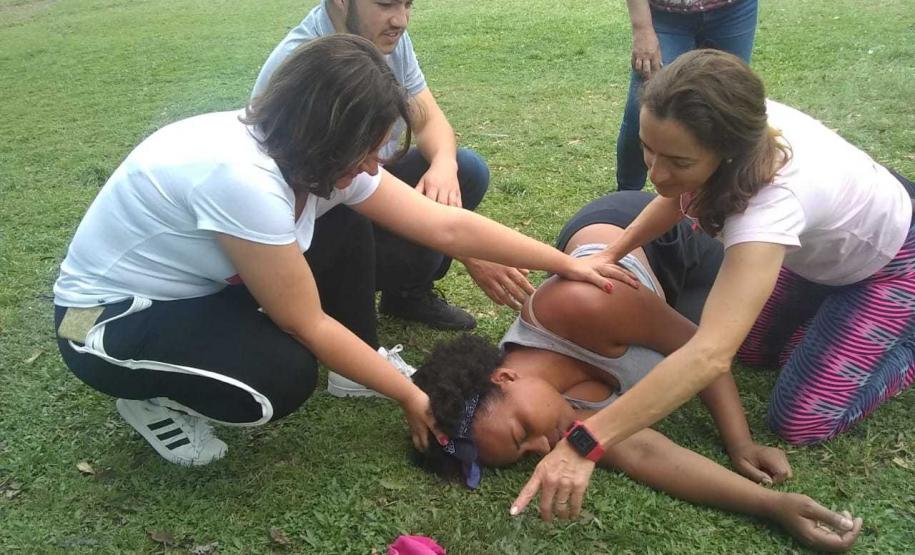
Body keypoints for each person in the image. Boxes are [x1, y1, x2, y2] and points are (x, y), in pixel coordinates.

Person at [52, 35, 633, 467]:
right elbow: (304, 321)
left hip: (197, 291)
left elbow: (446, 227)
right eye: (368, 146)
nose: (373, 164)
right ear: (327, 131)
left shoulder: (309, 155)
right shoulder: (241, 178)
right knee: (282, 376)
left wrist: (567, 264)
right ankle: (149, 394)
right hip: (107, 321)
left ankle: (357, 367)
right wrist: (411, 395)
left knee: (345, 220)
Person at [513, 49, 915, 522]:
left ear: (726, 155)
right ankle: (841, 318)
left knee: (800, 419)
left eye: (677, 161)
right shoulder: (732, 134)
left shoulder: (772, 204)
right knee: (753, 350)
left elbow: (708, 354)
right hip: (816, 257)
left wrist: (588, 439)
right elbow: (678, 193)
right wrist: (612, 252)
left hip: (888, 263)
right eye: (648, 148)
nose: (656, 173)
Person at [411, 191, 862, 552]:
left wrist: (739, 442)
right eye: (528, 452)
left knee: (761, 301)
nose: (543, 445)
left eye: (523, 432)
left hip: (659, 241)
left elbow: (704, 350)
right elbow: (646, 454)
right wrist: (771, 505)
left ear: (503, 377)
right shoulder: (562, 419)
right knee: (768, 338)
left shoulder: (581, 306)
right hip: (660, 299)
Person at [253, 0, 536, 337]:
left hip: (360, 183)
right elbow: (337, 179)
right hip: (317, 216)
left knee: (465, 169)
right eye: (387, 4)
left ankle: (406, 295)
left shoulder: (381, 34)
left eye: (407, 4)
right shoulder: (308, 63)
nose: (401, 20)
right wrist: (468, 251)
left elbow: (428, 119)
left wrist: (444, 166)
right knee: (352, 216)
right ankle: (335, 311)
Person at [616, 0, 758, 191]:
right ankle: (627, 193)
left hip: (733, 10)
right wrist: (642, 28)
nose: (656, 176)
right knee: (642, 112)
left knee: (727, 112)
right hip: (665, 14)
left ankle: (722, 195)